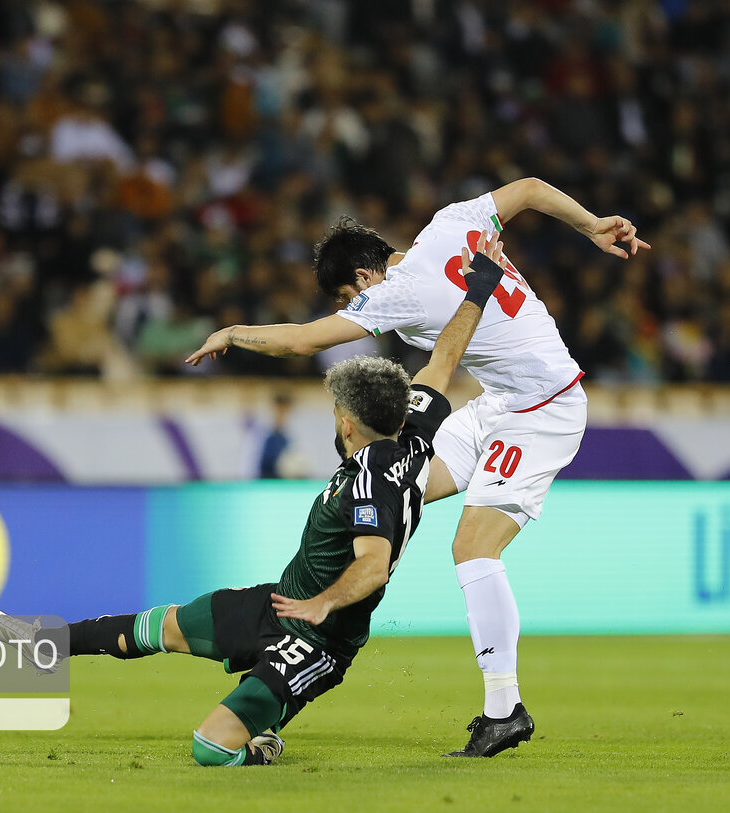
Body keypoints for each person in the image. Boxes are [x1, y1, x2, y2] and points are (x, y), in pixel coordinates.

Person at [187, 178, 650, 757]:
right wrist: (591, 224)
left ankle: (504, 710)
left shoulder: (393, 293)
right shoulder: (450, 223)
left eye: (343, 296)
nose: (347, 310)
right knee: (393, 486)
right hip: (498, 401)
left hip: (543, 409)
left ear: (362, 278)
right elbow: (529, 189)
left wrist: (232, 332)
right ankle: (312, 630)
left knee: (473, 548)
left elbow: (304, 341)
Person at [28, 236, 509, 766]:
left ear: (347, 423)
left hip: (316, 640)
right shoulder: (410, 436)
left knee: (210, 747)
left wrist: (323, 603)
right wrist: (480, 286)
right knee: (154, 628)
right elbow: (443, 358)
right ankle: (28, 644)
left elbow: (373, 565)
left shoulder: (373, 481)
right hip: (278, 602)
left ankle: (265, 739)